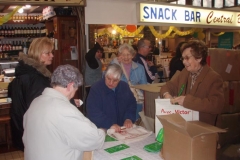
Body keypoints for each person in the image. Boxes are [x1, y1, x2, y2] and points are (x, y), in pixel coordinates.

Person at [23, 64, 105, 160]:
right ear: (70, 86)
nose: (74, 94)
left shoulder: (36, 102)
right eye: (75, 89)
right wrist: (103, 132)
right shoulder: (65, 110)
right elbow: (93, 139)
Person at [160, 40, 224, 126]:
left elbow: (216, 105)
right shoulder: (184, 72)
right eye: (183, 58)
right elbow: (168, 86)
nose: (184, 62)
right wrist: (167, 95)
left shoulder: (213, 78)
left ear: (199, 58)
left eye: (187, 58)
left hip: (203, 128)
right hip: (184, 125)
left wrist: (187, 101)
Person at [8, 37, 54, 151]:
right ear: (38, 54)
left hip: (23, 129)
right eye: (47, 53)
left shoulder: (25, 72)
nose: (52, 55)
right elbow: (41, 109)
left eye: (51, 52)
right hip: (35, 132)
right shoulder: (36, 78)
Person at [87, 64, 136, 132]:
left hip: (122, 128)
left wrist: (128, 118)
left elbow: (131, 104)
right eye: (108, 79)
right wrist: (109, 124)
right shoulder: (96, 88)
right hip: (102, 129)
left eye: (115, 80)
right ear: (105, 75)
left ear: (119, 79)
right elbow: (93, 111)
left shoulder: (124, 87)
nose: (111, 83)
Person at [111, 43, 147, 120]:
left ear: (132, 55)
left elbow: (144, 87)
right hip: (119, 101)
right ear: (119, 55)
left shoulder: (140, 68)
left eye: (128, 54)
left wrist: (145, 104)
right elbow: (107, 79)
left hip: (136, 102)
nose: (126, 57)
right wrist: (114, 62)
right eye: (123, 55)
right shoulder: (115, 67)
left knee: (134, 123)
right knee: (121, 124)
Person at [84, 42, 103, 114]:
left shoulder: (96, 60)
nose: (99, 53)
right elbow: (88, 55)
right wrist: (96, 45)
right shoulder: (93, 60)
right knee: (92, 103)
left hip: (93, 85)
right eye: (97, 52)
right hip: (91, 85)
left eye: (101, 52)